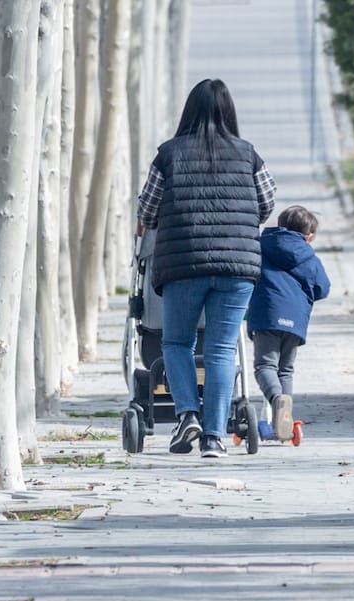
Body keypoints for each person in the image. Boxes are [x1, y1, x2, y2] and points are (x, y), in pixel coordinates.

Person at [136, 78, 276, 459]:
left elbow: (147, 211)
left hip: (183, 265)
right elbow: (266, 203)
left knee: (177, 342)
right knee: (219, 349)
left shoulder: (168, 154)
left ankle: (187, 415)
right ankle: (214, 438)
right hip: (237, 267)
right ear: (229, 111)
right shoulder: (249, 155)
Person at [247, 206, 330, 441]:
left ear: (280, 225)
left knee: (265, 367)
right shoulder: (309, 257)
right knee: (285, 369)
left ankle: (276, 402)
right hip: (295, 320)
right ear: (309, 236)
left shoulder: (260, 245)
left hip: (267, 313)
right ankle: (285, 420)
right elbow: (322, 289)